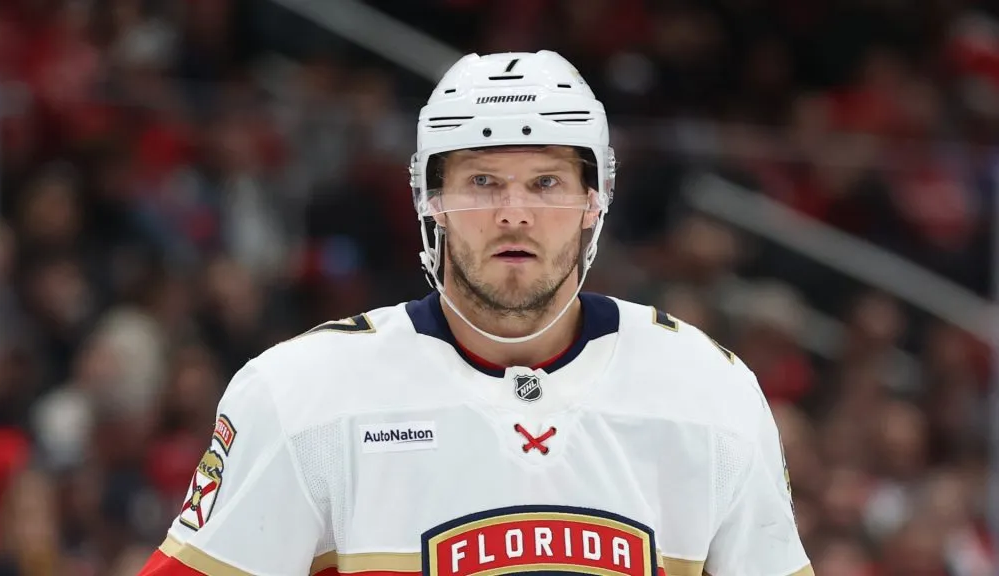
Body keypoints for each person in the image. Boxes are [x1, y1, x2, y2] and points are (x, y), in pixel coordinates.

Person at [139, 50, 814, 576]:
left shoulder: (710, 392)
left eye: (545, 182)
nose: (513, 211)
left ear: (593, 201)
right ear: (431, 200)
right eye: (483, 181)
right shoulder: (300, 395)